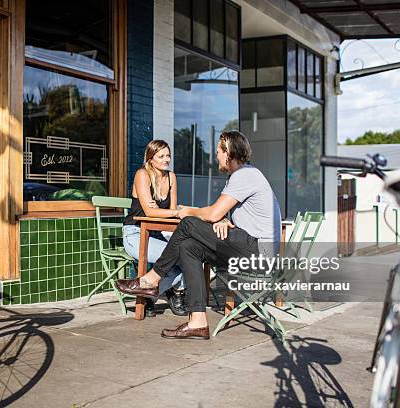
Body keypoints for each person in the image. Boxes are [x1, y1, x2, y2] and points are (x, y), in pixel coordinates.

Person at [116, 130, 281, 339]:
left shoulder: (245, 175)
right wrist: (221, 219)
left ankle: (150, 280)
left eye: (219, 152)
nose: (217, 157)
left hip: (257, 252)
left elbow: (212, 212)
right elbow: (221, 214)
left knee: (187, 223)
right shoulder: (240, 176)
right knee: (188, 248)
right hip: (248, 246)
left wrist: (191, 212)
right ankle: (198, 322)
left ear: (229, 152)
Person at [122, 139, 187, 317]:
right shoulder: (142, 175)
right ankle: (176, 292)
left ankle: (147, 295)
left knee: (190, 255)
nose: (166, 159)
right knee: (182, 258)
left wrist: (165, 212)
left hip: (157, 233)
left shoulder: (171, 177)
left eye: (168, 155)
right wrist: (166, 211)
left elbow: (171, 211)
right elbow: (151, 212)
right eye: (161, 156)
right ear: (151, 158)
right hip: (135, 233)